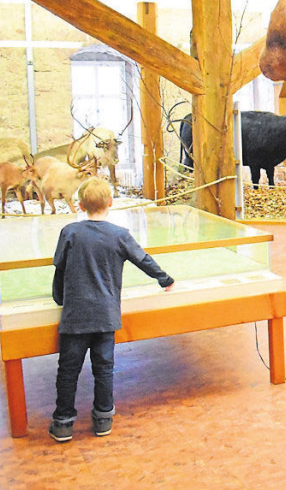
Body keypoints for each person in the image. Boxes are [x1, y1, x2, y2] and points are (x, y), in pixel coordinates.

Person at [48, 177, 175, 442]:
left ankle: (63, 422)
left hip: (75, 317)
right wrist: (165, 279)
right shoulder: (120, 235)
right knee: (104, 368)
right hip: (106, 315)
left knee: (68, 369)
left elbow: (59, 270)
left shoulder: (70, 232)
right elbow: (143, 259)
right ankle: (103, 418)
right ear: (110, 203)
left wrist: (59, 299)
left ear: (80, 205)